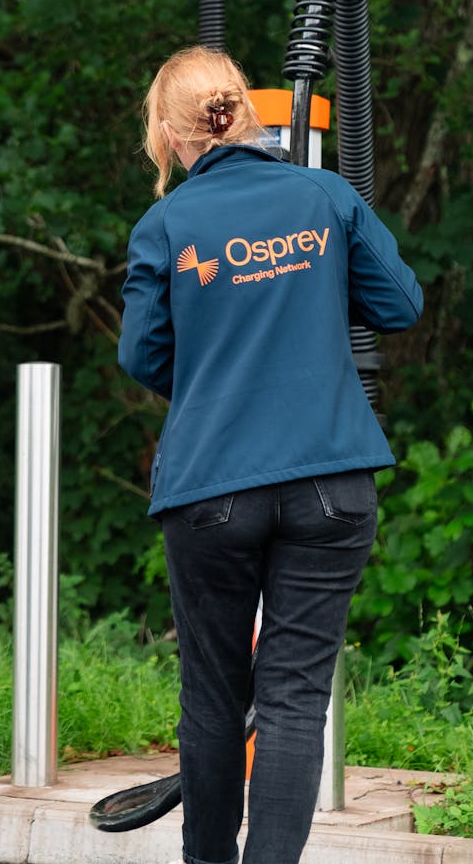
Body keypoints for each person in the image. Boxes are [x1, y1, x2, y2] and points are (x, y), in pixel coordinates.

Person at [117, 46, 423, 864]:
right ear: (247, 110)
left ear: (169, 132)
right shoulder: (324, 194)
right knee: (293, 699)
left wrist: (221, 362)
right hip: (331, 480)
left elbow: (141, 356)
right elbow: (400, 301)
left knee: (214, 700)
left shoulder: (168, 224)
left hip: (211, 485)